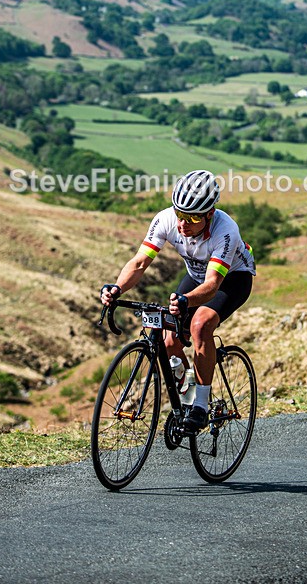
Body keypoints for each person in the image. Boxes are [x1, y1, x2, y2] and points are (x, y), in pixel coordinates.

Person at [100, 169, 255, 432]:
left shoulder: (226, 230)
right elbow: (139, 263)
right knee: (169, 340)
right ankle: (189, 395)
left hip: (231, 279)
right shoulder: (165, 220)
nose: (183, 224)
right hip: (196, 275)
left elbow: (212, 285)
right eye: (179, 214)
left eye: (192, 217)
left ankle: (201, 407)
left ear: (210, 214)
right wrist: (117, 288)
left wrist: (187, 301)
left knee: (200, 325)